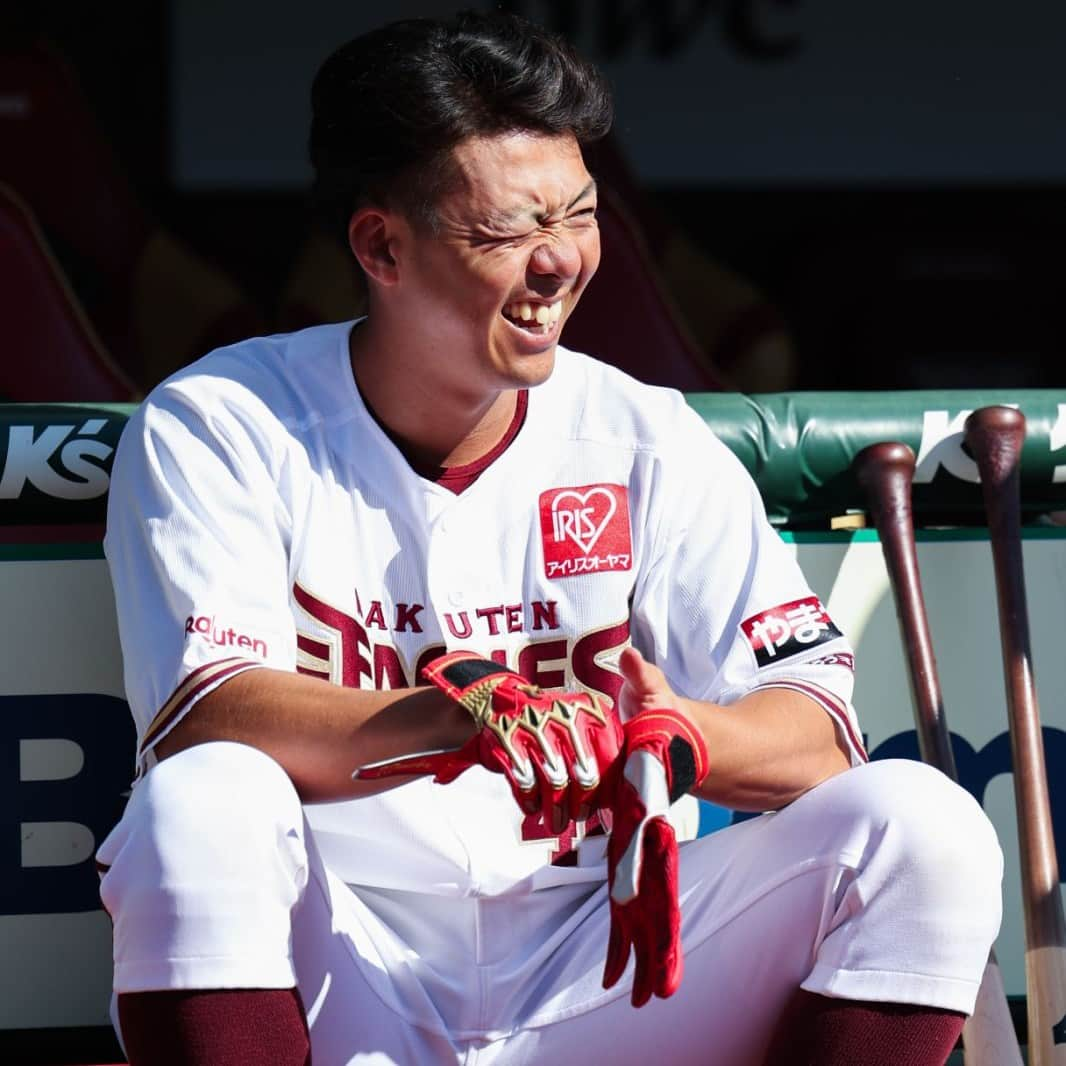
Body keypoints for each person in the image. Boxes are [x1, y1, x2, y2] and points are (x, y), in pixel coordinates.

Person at [96, 11, 1003, 1065]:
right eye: (505, 232)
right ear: (381, 245)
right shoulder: (226, 418)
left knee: (919, 826)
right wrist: (460, 716)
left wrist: (673, 737)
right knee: (200, 803)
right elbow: (208, 711)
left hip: (601, 959)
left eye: (576, 214)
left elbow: (817, 731)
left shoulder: (642, 432)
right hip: (344, 952)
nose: (558, 261)